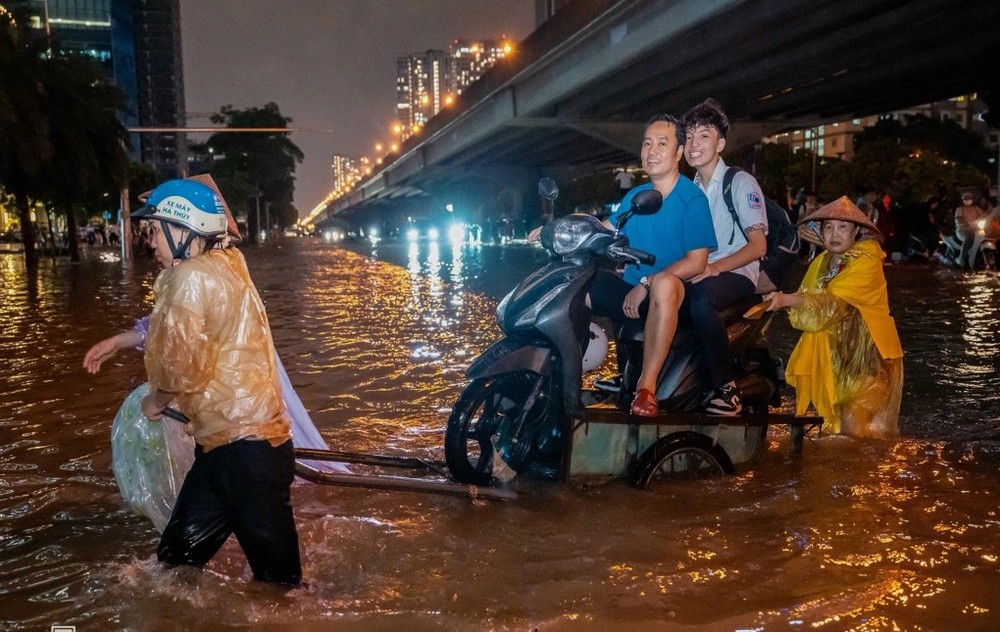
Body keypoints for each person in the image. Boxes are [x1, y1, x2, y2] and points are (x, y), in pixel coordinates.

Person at [114, 178, 301, 585]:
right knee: (171, 566)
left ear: (182, 230)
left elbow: (177, 364)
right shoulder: (229, 264)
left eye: (155, 230)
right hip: (224, 449)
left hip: (243, 452)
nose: (151, 243)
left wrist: (155, 401)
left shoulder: (191, 278)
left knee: (283, 592)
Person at [589, 114, 716, 416]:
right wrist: (561, 230)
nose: (652, 150)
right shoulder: (636, 197)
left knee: (662, 283)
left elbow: (697, 262)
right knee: (582, 281)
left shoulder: (692, 199)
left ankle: (647, 389)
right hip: (634, 290)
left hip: (674, 295)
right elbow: (603, 229)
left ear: (679, 153)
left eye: (662, 143)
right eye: (647, 143)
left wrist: (646, 284)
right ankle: (563, 375)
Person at [764, 197, 903, 438]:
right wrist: (777, 300)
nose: (834, 233)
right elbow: (806, 302)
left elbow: (831, 304)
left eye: (842, 227)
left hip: (870, 358)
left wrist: (787, 300)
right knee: (839, 427)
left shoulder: (867, 261)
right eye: (828, 227)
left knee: (853, 427)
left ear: (856, 231)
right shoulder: (820, 263)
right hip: (837, 357)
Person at [680, 98, 768, 415]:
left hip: (737, 271)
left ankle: (726, 389)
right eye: (688, 136)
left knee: (700, 301)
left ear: (721, 143)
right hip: (699, 269)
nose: (693, 144)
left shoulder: (740, 182)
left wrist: (716, 268)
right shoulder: (689, 189)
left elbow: (758, 247)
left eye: (704, 135)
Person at [954, 191, 983, 269]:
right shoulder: (960, 209)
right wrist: (967, 224)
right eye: (966, 199)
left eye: (969, 199)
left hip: (974, 229)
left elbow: (983, 215)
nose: (968, 200)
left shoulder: (976, 208)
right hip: (962, 229)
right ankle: (961, 258)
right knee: (967, 239)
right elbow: (958, 219)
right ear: (963, 200)